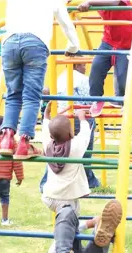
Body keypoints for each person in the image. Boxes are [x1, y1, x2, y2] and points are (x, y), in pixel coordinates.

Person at [0, 0, 81, 160]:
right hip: (35, 44)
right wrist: (73, 46)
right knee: (31, 96)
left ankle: (7, 140)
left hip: (9, 43)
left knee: (13, 94)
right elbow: (65, 22)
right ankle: (24, 142)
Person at [41, 101, 94, 253]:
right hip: (67, 200)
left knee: (67, 221)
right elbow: (85, 135)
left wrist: (46, 116)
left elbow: (44, 130)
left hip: (49, 197)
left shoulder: (48, 145)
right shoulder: (75, 148)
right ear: (71, 133)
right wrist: (82, 119)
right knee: (70, 216)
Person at [40, 62, 100, 191]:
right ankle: (89, 180)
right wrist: (84, 117)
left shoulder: (60, 77)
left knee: (52, 149)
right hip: (77, 117)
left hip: (60, 117)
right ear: (77, 65)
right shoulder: (83, 79)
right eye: (83, 65)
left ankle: (46, 181)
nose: (85, 67)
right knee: (84, 150)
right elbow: (90, 100)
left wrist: (47, 115)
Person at [78, 0, 132, 117]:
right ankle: (97, 99)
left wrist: (89, 2)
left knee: (123, 78)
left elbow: (115, 2)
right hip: (107, 41)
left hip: (125, 45)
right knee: (96, 70)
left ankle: (126, 102)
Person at [41, 200, 122, 253]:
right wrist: (90, 223)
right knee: (67, 214)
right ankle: (101, 233)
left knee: (67, 215)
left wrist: (89, 223)